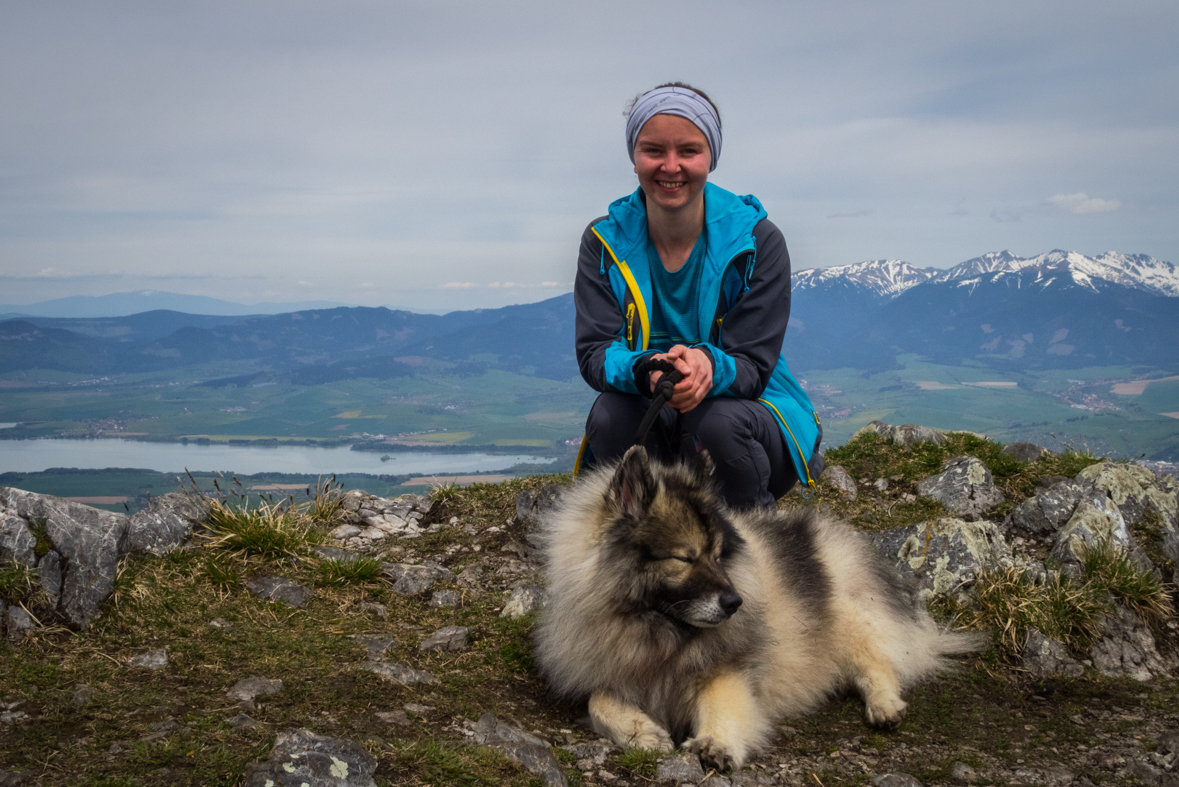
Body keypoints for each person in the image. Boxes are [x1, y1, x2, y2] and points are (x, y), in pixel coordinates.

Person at [573, 82, 823, 509]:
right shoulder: (603, 243)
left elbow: (753, 365)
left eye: (688, 151)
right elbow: (595, 353)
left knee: (718, 421)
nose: (671, 167)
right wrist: (646, 369)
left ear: (711, 158)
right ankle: (642, 548)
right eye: (654, 150)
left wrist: (707, 365)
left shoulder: (757, 241)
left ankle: (753, 548)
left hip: (748, 424)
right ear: (634, 156)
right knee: (610, 415)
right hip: (658, 422)